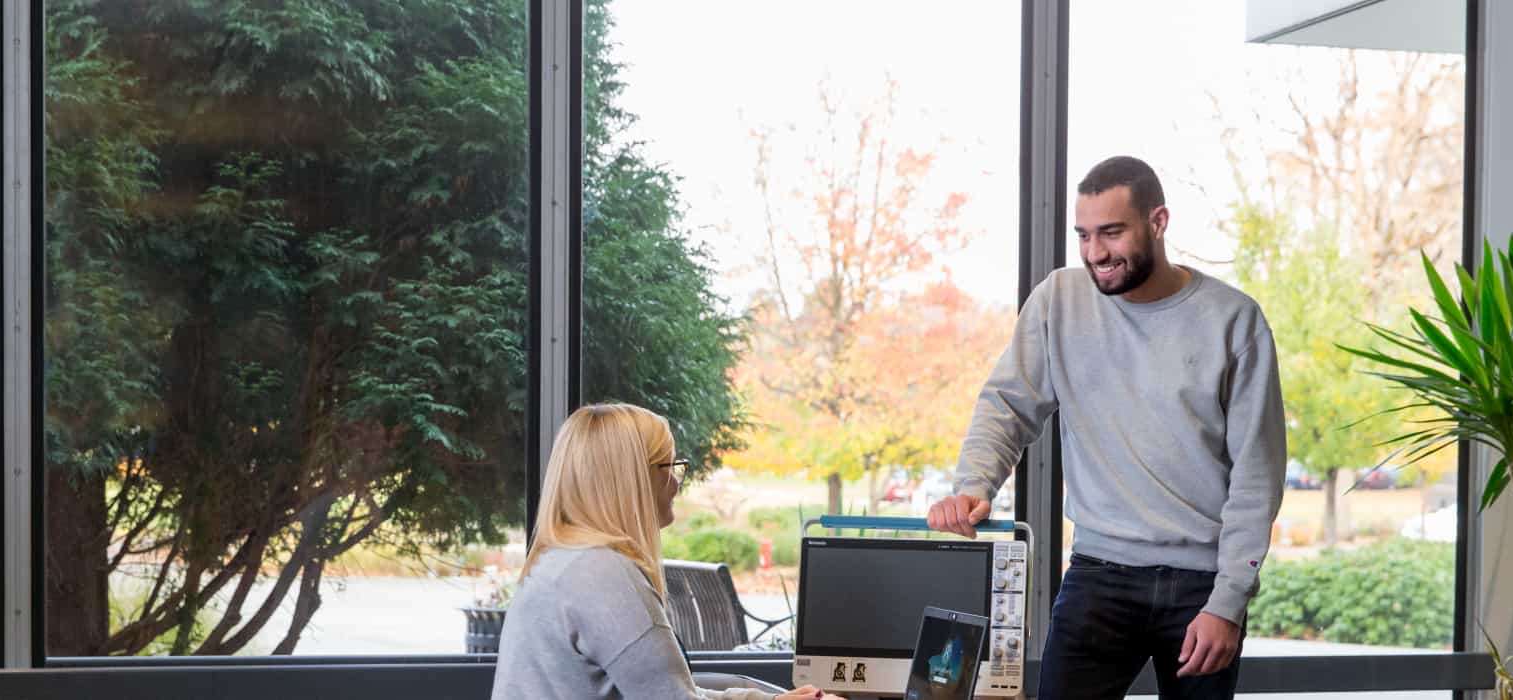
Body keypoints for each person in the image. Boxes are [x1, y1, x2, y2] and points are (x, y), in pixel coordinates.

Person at [927, 156, 1286, 699]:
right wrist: (974, 485)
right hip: (1100, 574)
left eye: (1112, 233)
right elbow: (1007, 404)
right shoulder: (1059, 302)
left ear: (1158, 222)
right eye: (1084, 235)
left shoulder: (1233, 321)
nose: (1096, 253)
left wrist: (1229, 603)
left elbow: (1257, 478)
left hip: (1201, 585)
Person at [492, 403, 842, 700]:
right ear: (633, 479)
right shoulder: (603, 578)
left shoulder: (563, 560)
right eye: (669, 467)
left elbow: (666, 690)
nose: (676, 483)